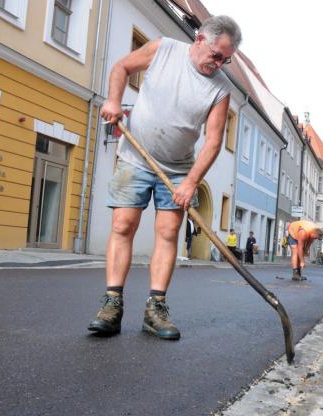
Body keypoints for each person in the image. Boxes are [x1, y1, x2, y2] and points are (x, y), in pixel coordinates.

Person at [88, 15, 241, 340]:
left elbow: (213, 141)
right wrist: (114, 100)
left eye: (225, 60)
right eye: (216, 55)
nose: (219, 64)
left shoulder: (221, 89)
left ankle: (155, 309)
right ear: (200, 39)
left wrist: (190, 182)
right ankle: (111, 304)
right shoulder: (163, 50)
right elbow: (121, 68)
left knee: (169, 231)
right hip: (135, 157)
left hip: (178, 168)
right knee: (122, 226)